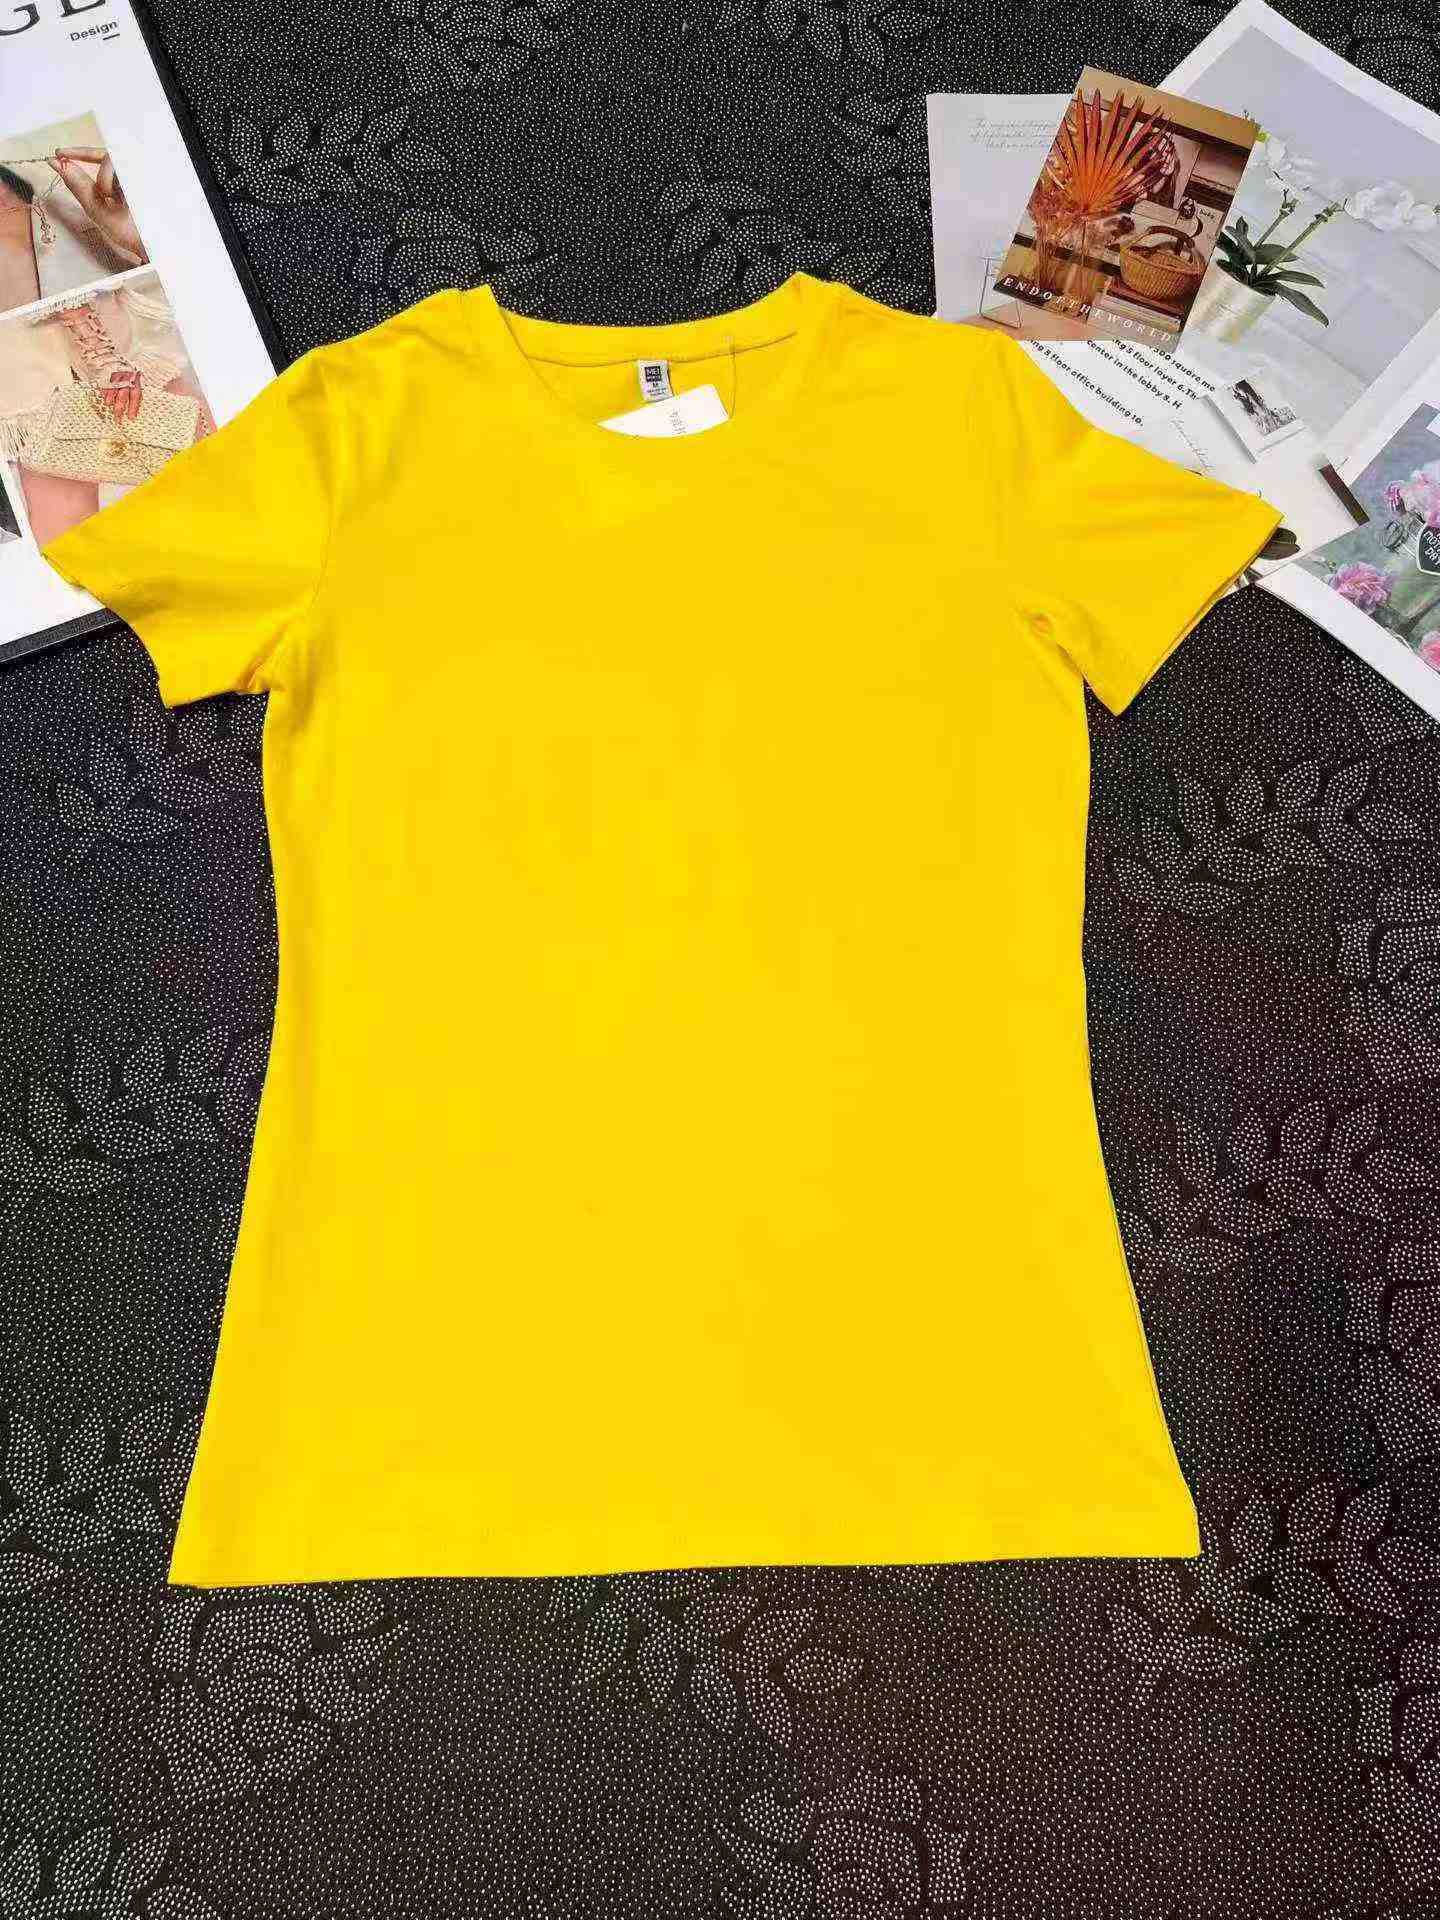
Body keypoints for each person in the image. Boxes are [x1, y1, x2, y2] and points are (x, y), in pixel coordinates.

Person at [0, 279, 211, 545]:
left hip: (81, 333)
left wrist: (99, 348)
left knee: (68, 526)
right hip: (43, 345)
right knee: (68, 522)